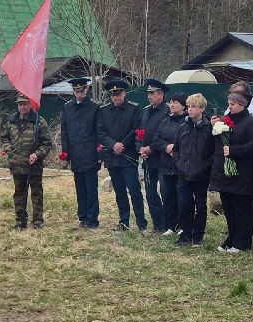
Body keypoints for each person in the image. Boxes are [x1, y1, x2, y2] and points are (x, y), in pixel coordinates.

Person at [211, 90, 253, 252]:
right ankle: (232, 237)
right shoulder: (225, 120)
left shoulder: (251, 122)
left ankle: (243, 241)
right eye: (229, 104)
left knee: (242, 209)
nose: (230, 107)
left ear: (242, 105)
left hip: (243, 173)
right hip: (226, 173)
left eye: (233, 104)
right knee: (229, 208)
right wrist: (213, 127)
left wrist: (234, 150)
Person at [99, 76, 148, 232]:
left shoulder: (134, 108)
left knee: (134, 190)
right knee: (119, 191)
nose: (116, 97)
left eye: (118, 94)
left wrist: (122, 145)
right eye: (113, 94)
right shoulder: (104, 111)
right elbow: (101, 132)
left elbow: (136, 130)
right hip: (112, 156)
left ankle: (141, 223)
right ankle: (124, 222)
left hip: (128, 156)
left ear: (124, 93)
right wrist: (113, 145)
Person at [170, 92, 216, 246]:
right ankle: (185, 235)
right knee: (184, 206)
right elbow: (176, 149)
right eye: (188, 106)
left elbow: (213, 152)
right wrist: (178, 164)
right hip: (184, 174)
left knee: (200, 207)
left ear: (202, 108)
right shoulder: (182, 127)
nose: (190, 109)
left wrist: (205, 167)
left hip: (201, 175)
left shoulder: (209, 129)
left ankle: (198, 236)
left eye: (194, 106)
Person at [1, 94, 52, 230]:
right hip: (17, 164)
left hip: (34, 165)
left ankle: (38, 221)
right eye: (20, 104)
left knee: (36, 193)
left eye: (25, 104)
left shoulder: (39, 122)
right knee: (19, 194)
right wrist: (9, 150)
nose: (22, 107)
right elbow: (4, 138)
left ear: (30, 105)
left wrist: (37, 154)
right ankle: (20, 221)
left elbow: (47, 143)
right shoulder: (11, 121)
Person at [59, 77, 103, 229]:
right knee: (80, 189)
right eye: (76, 91)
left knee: (91, 189)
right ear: (73, 91)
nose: (79, 93)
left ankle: (92, 220)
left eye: (81, 90)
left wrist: (99, 155)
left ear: (86, 90)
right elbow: (64, 131)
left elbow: (99, 132)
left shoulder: (94, 108)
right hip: (76, 154)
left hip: (90, 154)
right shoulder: (67, 107)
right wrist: (65, 153)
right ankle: (83, 218)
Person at [138, 80, 170, 233]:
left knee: (166, 193)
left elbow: (168, 136)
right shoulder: (146, 111)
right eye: (148, 93)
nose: (149, 96)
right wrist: (141, 149)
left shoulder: (168, 111)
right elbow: (140, 133)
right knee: (150, 193)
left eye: (152, 93)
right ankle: (158, 225)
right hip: (148, 160)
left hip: (163, 159)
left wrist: (151, 148)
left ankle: (170, 225)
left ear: (161, 94)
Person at [154, 91, 186, 236]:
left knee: (182, 197)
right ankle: (170, 226)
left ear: (183, 106)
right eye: (171, 102)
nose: (172, 105)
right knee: (168, 196)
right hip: (166, 164)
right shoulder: (166, 121)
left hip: (181, 165)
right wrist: (166, 147)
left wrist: (175, 148)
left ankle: (183, 225)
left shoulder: (187, 121)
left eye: (175, 102)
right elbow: (156, 138)